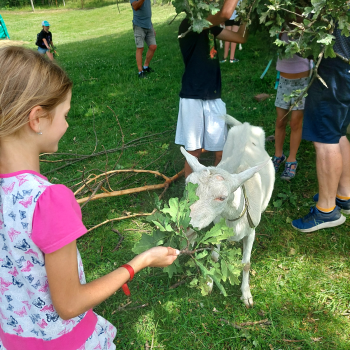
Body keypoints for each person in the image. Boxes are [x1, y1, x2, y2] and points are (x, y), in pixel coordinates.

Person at [0, 46, 179, 349]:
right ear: (37, 119)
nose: (67, 125)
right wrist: (142, 261)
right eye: (65, 115)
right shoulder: (50, 201)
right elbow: (69, 304)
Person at [175, 0, 247, 178]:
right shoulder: (190, 24)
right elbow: (225, 14)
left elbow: (240, 38)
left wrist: (247, 15)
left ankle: (217, 190)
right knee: (194, 153)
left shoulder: (209, 28)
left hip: (213, 95)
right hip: (192, 95)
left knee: (220, 152)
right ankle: (190, 197)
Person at [292, 25, 350, 232]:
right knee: (338, 132)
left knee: (325, 139)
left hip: (334, 68)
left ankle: (326, 210)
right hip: (345, 68)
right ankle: (344, 195)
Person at [272, 31, 311, 180]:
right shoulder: (280, 21)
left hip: (303, 80)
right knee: (280, 121)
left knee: (296, 122)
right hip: (284, 80)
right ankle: (278, 156)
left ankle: (291, 159)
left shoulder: (309, 24)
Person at [130, 0, 157, 78]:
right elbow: (135, 7)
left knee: (153, 46)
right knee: (140, 48)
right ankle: (140, 71)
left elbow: (147, 11)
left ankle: (146, 66)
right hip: (139, 25)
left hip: (149, 25)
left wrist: (152, 26)